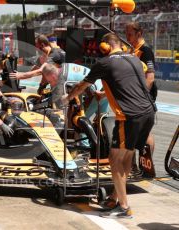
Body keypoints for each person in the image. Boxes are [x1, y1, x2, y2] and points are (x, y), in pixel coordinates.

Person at [62, 33, 156, 219]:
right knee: (126, 156)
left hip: (129, 116)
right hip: (148, 112)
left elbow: (81, 86)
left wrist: (68, 97)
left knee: (114, 158)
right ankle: (115, 198)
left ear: (105, 46)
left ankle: (123, 207)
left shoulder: (104, 63)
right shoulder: (135, 60)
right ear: (120, 45)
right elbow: (127, 83)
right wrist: (104, 94)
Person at [125, 21, 156, 160]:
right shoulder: (132, 49)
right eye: (126, 33)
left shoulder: (146, 50)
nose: (127, 37)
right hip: (133, 96)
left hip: (144, 96)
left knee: (145, 132)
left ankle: (146, 166)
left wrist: (141, 96)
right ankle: (133, 166)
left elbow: (150, 78)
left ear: (139, 33)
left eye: (130, 34)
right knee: (131, 132)